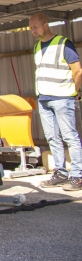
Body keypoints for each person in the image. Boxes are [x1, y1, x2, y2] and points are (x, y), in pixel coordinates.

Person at [30, 13, 82, 191]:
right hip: (44, 98)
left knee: (70, 137)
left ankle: (78, 175)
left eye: (35, 27)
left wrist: (74, 92)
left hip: (62, 98)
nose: (32, 31)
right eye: (31, 28)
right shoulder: (37, 46)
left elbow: (78, 71)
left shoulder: (63, 43)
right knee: (52, 138)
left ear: (46, 25)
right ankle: (60, 173)